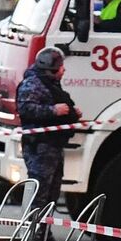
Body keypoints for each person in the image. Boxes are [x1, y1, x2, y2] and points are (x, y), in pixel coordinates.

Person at [16, 47, 81, 215]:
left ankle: (44, 235)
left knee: (52, 193)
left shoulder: (51, 84)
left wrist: (72, 114)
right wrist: (54, 111)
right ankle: (34, 236)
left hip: (53, 145)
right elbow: (25, 108)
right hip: (40, 147)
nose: (63, 69)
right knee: (39, 193)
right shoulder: (32, 84)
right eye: (60, 66)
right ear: (51, 69)